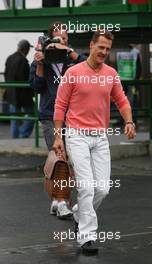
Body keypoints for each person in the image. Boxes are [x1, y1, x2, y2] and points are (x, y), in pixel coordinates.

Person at [53, 30, 136, 254]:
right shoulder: (73, 72)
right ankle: (86, 236)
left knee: (103, 189)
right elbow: (60, 106)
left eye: (107, 49)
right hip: (76, 135)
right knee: (87, 188)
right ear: (91, 45)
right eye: (101, 47)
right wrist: (58, 137)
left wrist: (129, 122)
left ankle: (80, 213)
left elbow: (122, 100)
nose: (104, 52)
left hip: (100, 137)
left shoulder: (111, 74)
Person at [30, 21, 85, 219]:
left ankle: (57, 200)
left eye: (65, 38)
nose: (61, 42)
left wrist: (68, 51)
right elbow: (36, 87)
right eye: (57, 39)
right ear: (49, 40)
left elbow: (90, 67)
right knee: (59, 159)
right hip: (50, 116)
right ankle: (61, 202)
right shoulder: (41, 60)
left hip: (73, 116)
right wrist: (39, 64)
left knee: (74, 160)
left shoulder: (72, 60)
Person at [4, 39, 34, 138]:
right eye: (28, 49)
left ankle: (15, 139)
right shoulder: (23, 61)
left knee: (14, 119)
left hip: (11, 93)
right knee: (32, 114)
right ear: (25, 49)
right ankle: (23, 134)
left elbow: (6, 74)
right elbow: (24, 79)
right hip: (22, 95)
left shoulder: (9, 58)